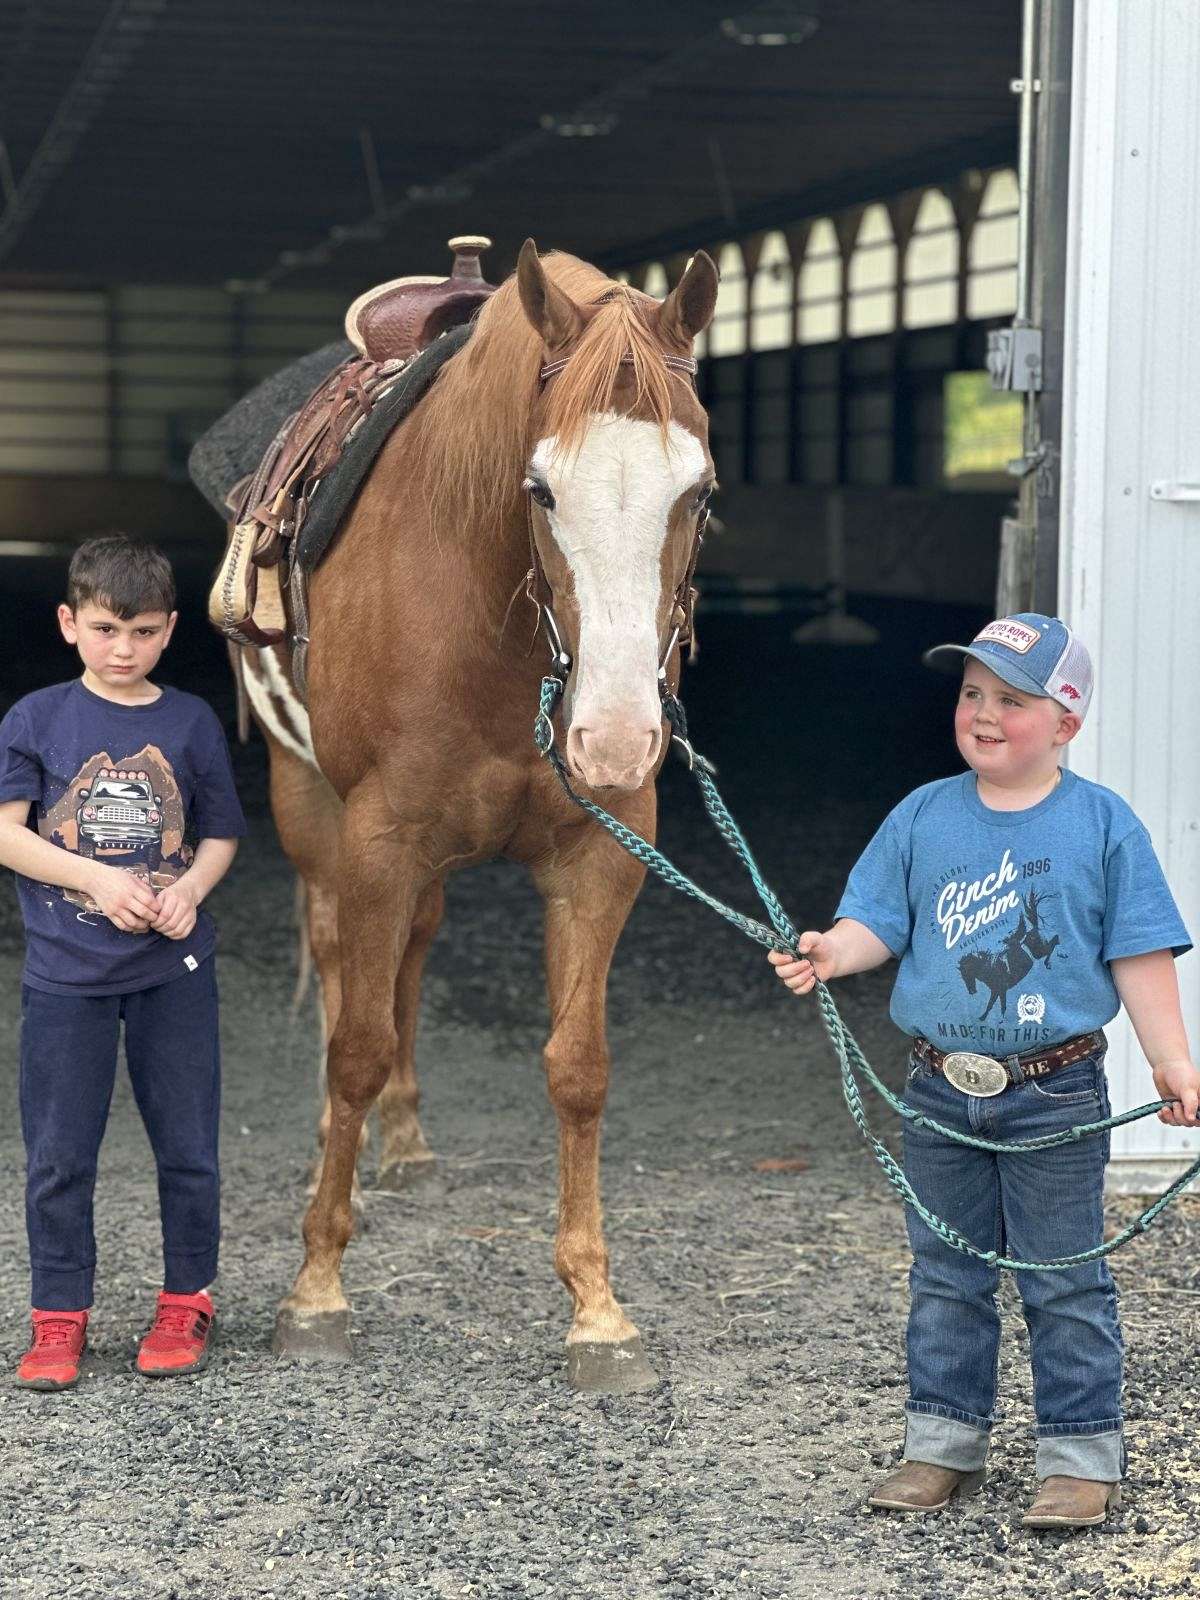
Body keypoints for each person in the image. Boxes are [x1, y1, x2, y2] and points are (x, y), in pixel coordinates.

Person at [769, 613, 1198, 1530]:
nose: (985, 714)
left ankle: (1081, 1458)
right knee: (945, 1272)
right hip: (940, 1089)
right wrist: (831, 953)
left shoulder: (1102, 826)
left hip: (1056, 1091)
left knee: (1063, 1276)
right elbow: (877, 922)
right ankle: (942, 1446)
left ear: (1067, 722)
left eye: (1013, 699)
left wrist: (1173, 1062)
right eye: (972, 694)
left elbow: (1140, 954)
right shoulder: (922, 815)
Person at [0, 535, 245, 1389]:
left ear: (171, 629)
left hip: (170, 974)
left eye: (142, 632)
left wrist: (191, 894)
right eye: (105, 629)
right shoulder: (35, 718)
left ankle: (187, 1299)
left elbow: (218, 833)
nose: (123, 649)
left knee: (187, 1146)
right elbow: (7, 834)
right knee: (60, 1154)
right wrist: (98, 881)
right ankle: (59, 1316)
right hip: (65, 977)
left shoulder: (189, 721)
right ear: (70, 623)